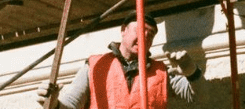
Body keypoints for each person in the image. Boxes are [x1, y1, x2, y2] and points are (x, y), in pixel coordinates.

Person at [38, 12, 201, 109]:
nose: (145, 37)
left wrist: (192, 72)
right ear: (123, 30)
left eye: (150, 35)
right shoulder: (95, 66)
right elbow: (71, 104)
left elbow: (200, 97)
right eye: (140, 30)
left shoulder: (161, 72)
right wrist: (54, 105)